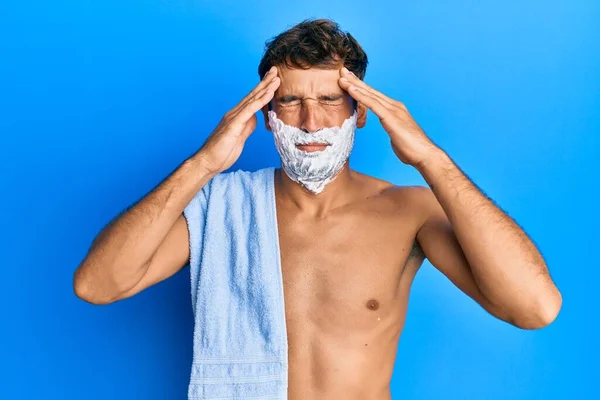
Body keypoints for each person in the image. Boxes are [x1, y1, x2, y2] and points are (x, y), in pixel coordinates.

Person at [73, 18, 562, 400]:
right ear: (266, 117)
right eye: (290, 102)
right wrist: (205, 162)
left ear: (361, 111)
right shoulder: (220, 207)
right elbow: (98, 284)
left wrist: (429, 158)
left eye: (331, 99)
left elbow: (534, 308)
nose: (311, 122)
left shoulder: (408, 211)